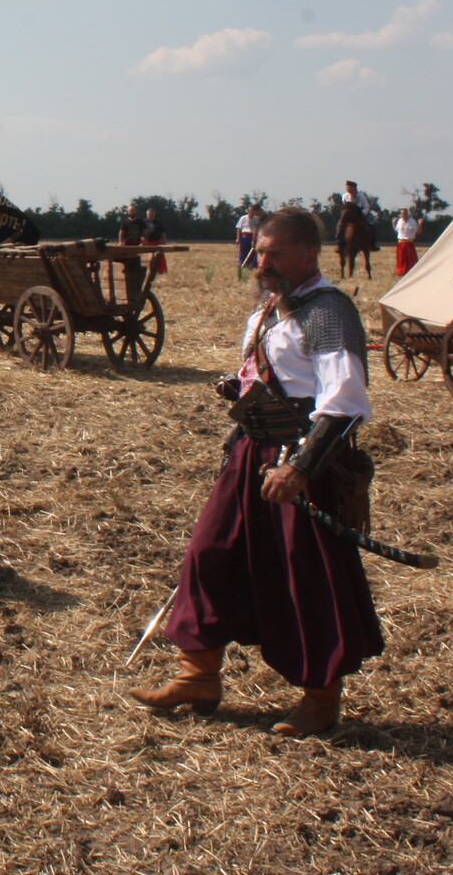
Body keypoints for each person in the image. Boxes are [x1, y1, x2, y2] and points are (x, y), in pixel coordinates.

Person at [132, 208, 382, 738]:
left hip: (303, 462)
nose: (259, 261)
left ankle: (321, 699)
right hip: (251, 453)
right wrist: (240, 390)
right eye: (258, 251)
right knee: (209, 552)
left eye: (272, 253)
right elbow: (276, 374)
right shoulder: (271, 308)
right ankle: (197, 675)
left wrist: (299, 468)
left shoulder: (328, 311)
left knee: (307, 575)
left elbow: (346, 402)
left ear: (308, 255)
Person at [333, 195, 374, 280]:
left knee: (372, 226)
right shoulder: (345, 196)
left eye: (350, 187)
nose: (348, 189)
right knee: (340, 226)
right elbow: (344, 207)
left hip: (360, 217)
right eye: (347, 187)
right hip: (349, 218)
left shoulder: (361, 196)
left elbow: (366, 207)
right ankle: (340, 242)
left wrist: (361, 213)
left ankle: (373, 242)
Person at [393, 208, 421, 275]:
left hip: (409, 243)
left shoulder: (412, 221)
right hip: (401, 243)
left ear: (407, 214)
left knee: (410, 259)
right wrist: (393, 223)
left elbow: (418, 232)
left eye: (405, 213)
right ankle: (401, 271)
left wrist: (420, 224)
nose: (403, 215)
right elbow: (396, 231)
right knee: (401, 259)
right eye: (402, 213)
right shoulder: (399, 221)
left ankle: (411, 272)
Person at [142, 208, 169, 276]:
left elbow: (163, 233)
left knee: (160, 258)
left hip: (157, 243)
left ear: (154, 214)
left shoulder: (158, 223)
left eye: (152, 214)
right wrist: (143, 241)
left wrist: (164, 242)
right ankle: (146, 273)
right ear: (147, 214)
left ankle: (161, 272)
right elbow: (140, 233)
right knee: (147, 259)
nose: (151, 215)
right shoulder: (143, 222)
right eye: (149, 214)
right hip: (147, 243)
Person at [235, 203, 262, 270]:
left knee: (253, 252)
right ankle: (242, 264)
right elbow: (239, 229)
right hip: (245, 236)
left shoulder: (256, 219)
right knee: (243, 251)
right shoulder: (243, 218)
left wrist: (254, 239)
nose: (252, 212)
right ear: (248, 211)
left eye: (254, 211)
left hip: (253, 236)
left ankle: (253, 265)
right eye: (251, 211)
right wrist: (238, 238)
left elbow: (256, 229)